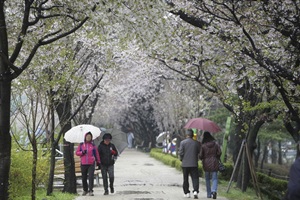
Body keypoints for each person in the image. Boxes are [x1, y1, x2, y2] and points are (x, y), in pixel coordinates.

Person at [75, 131, 100, 196]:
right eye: (87, 136)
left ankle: (91, 190)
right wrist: (82, 152)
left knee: (91, 177)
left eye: (90, 137)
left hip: (91, 163)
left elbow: (96, 154)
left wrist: (98, 162)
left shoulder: (93, 145)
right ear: (85, 137)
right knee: (84, 177)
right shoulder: (81, 145)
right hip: (83, 163)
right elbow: (77, 153)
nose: (88, 138)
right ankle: (85, 190)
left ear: (91, 138)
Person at [178, 129, 201, 199]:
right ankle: (195, 191)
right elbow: (199, 152)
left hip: (185, 164)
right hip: (194, 163)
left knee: (185, 178)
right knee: (195, 178)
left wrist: (182, 159)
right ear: (192, 135)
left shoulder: (182, 142)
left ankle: (187, 192)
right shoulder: (197, 143)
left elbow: (181, 153)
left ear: (186, 135)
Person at [199, 131, 222, 199]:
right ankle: (214, 191)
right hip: (214, 162)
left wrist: (202, 158)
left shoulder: (203, 146)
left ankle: (209, 194)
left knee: (207, 179)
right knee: (214, 178)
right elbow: (219, 152)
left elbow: (200, 156)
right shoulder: (216, 144)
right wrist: (216, 156)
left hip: (206, 163)